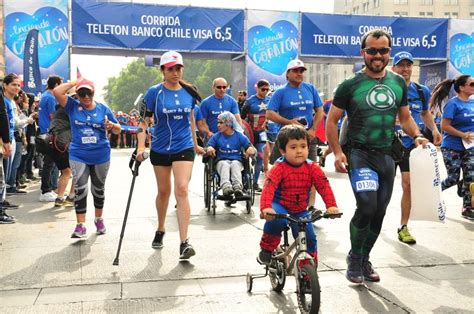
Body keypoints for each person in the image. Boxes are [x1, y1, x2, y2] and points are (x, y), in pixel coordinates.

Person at [326, 29, 429, 284]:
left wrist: (417, 135)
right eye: (372, 50)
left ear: (388, 53)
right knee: (367, 206)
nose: (377, 55)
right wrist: (338, 152)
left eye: (383, 50)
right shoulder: (350, 85)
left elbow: (405, 118)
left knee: (380, 211)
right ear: (363, 53)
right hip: (359, 154)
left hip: (386, 156)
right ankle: (354, 257)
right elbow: (332, 120)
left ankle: (364, 258)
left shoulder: (397, 83)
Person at [136, 51, 205, 259]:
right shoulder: (153, 93)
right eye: (171, 69)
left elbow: (191, 120)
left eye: (178, 68)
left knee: (182, 189)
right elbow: (143, 122)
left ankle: (184, 242)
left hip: (183, 147)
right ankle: (161, 227)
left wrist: (195, 145)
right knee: (164, 191)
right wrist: (141, 147)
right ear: (162, 71)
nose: (175, 72)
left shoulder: (189, 92)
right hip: (160, 147)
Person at [257, 125, 340, 265]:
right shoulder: (279, 168)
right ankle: (267, 249)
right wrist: (266, 208)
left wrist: (331, 206)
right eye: (293, 147)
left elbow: (323, 185)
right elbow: (268, 187)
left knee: (309, 236)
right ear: (283, 151)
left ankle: (308, 267)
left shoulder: (313, 167)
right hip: (280, 205)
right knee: (277, 220)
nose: (299, 151)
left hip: (300, 209)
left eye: (303, 146)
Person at [53, 77, 121, 238]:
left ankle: (98, 219)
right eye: (81, 94)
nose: (85, 97)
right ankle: (80, 225)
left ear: (93, 93)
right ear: (77, 94)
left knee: (98, 189)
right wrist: (75, 83)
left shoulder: (104, 109)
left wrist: (112, 126)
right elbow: (57, 91)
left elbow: (118, 129)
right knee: (80, 187)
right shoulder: (72, 106)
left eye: (88, 93)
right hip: (78, 154)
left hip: (100, 154)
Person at [390, 51, 442, 243]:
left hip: (410, 144)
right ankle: (374, 220)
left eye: (408, 65)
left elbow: (425, 113)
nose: (405, 69)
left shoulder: (421, 91)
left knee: (408, 184)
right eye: (401, 65)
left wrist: (434, 130)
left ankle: (403, 226)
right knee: (382, 192)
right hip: (386, 143)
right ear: (393, 68)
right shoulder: (386, 89)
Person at [266, 59, 324, 210]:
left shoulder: (310, 88)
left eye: (301, 71)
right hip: (286, 139)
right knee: (280, 171)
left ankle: (310, 207)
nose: (299, 74)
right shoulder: (280, 92)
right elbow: (270, 113)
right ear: (288, 74)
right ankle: (280, 203)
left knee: (312, 173)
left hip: (307, 139)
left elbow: (320, 110)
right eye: (296, 71)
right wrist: (288, 122)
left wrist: (313, 130)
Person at [430, 75, 474, 220]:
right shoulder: (453, 104)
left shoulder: (472, 103)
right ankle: (431, 195)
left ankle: (467, 208)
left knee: (471, 178)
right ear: (462, 87)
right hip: (452, 147)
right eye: (472, 84)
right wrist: (462, 135)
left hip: (470, 147)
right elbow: (444, 126)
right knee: (453, 178)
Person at [206, 111, 255, 197]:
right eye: (218, 122)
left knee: (235, 164)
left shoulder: (239, 136)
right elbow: (209, 146)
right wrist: (210, 148)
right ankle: (226, 187)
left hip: (237, 160)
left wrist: (250, 149)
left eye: (221, 122)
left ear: (229, 123)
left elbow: (249, 146)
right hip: (221, 161)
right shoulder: (216, 136)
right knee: (224, 164)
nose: (218, 125)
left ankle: (237, 187)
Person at [241, 80, 271, 191]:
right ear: (257, 88)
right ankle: (244, 180)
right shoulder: (249, 101)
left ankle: (254, 183)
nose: (265, 92)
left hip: (261, 133)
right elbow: (241, 118)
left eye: (267, 90)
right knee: (244, 156)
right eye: (263, 89)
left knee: (260, 156)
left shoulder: (269, 100)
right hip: (249, 133)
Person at [39, 75, 63, 202]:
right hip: (50, 132)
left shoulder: (45, 95)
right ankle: (46, 190)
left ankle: (50, 189)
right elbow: (54, 116)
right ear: (56, 85)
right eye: (61, 85)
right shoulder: (51, 97)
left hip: (46, 131)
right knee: (49, 163)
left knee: (51, 162)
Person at [0, 81, 14, 224]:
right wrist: (6, 141)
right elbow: (2, 116)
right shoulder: (4, 100)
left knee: (4, 176)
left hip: (8, 138)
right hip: (5, 139)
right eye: (13, 84)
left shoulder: (8, 102)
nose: (16, 87)